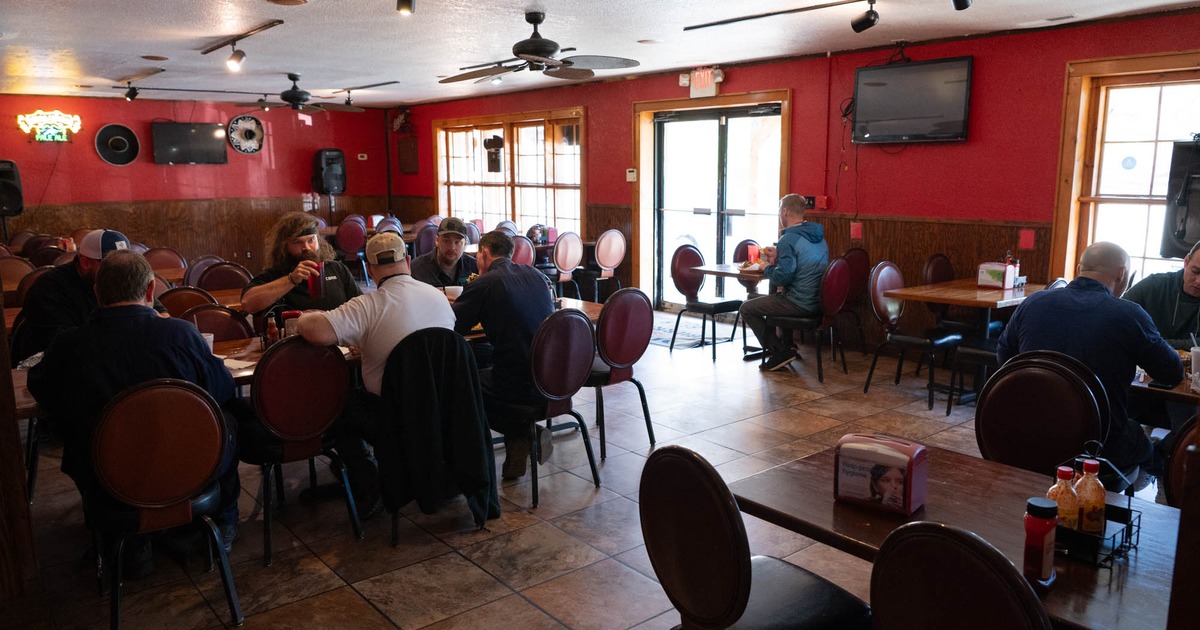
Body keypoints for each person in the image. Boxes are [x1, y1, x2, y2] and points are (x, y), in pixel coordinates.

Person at [28, 250, 240, 574]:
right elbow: (223, 388)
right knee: (227, 422)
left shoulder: (69, 344)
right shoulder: (181, 334)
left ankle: (127, 542)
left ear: (97, 292)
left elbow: (42, 390)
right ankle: (221, 526)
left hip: (107, 478)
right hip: (186, 465)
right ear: (151, 291)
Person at [295, 232, 456, 516]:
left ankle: (370, 483)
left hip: (391, 415)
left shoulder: (367, 306)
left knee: (340, 407)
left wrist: (304, 316)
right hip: (441, 406)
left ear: (370, 269)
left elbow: (313, 330)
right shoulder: (440, 298)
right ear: (407, 260)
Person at [997, 241, 1183, 472]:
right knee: (1146, 443)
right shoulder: (1129, 315)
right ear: (1122, 274)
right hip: (1099, 444)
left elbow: (1005, 358)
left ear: (1078, 269)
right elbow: (1172, 372)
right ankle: (1133, 492)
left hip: (1029, 431)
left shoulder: (1034, 302)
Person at [452, 230, 555, 479]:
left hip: (516, 380)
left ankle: (471, 468)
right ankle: (524, 434)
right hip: (551, 378)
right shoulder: (537, 275)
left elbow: (454, 326)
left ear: (484, 253)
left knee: (463, 385)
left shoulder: (484, 283)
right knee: (496, 369)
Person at [12, 229, 132, 363]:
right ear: (85, 262)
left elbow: (158, 312)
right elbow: (62, 345)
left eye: (125, 264)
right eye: (111, 265)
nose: (120, 272)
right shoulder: (49, 288)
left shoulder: (124, 277)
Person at [739, 194, 829, 371]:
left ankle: (780, 351)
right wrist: (779, 258)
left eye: (780, 211)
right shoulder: (818, 237)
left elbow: (783, 277)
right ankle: (787, 344)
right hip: (819, 301)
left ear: (785, 212)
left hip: (800, 302)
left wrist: (765, 266)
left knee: (746, 308)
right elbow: (801, 267)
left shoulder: (788, 239)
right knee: (775, 294)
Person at [240, 212, 361, 320]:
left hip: (338, 340)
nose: (307, 248)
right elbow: (247, 304)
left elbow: (361, 307)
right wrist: (291, 279)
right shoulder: (274, 275)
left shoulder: (337, 269)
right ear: (284, 247)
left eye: (311, 240)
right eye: (297, 242)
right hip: (295, 343)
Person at [1122, 239, 1200, 350]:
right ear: (1186, 262)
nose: (1198, 281)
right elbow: (1117, 319)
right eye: (1195, 271)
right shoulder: (1153, 285)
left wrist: (1151, 342)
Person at [410, 217, 478, 289]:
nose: (452, 247)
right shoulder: (417, 269)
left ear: (465, 244)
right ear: (437, 241)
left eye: (457, 242)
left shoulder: (474, 267)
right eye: (446, 241)